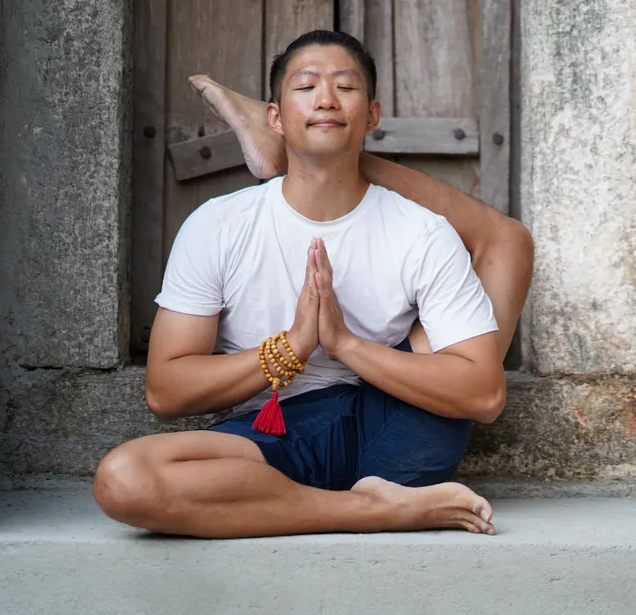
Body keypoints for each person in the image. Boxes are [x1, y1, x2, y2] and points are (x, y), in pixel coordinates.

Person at [92, 30, 534, 538]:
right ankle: (380, 510)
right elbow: (165, 392)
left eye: (344, 87)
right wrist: (291, 348)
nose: (326, 98)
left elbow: (482, 395)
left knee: (494, 271)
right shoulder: (218, 226)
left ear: (372, 115)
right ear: (275, 116)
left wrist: (344, 344)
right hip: (275, 431)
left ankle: (322, 503)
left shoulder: (423, 233)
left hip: (394, 429)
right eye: (305, 88)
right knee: (125, 479)